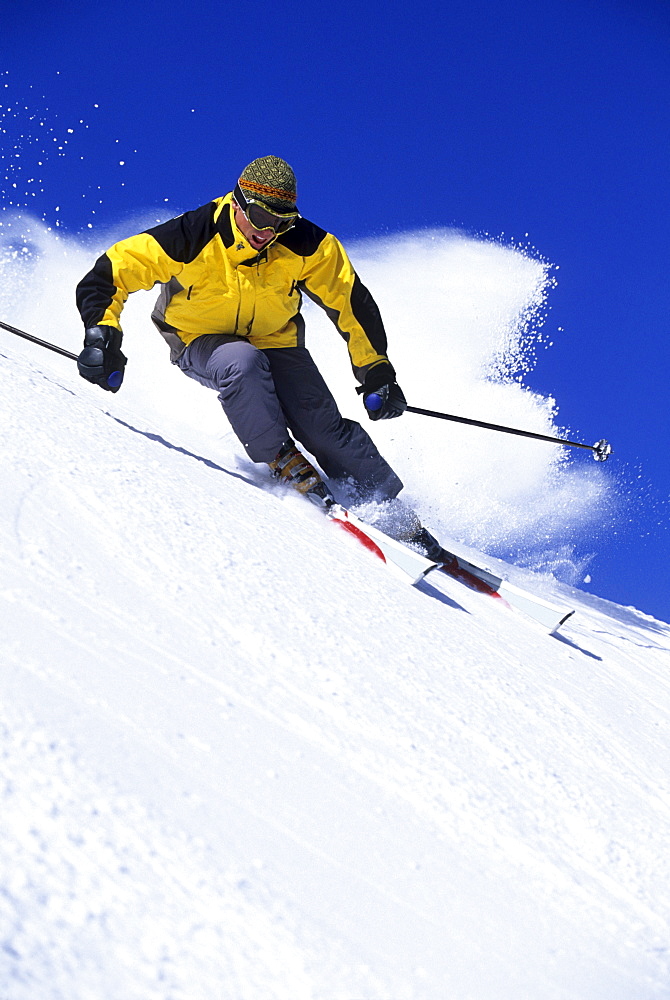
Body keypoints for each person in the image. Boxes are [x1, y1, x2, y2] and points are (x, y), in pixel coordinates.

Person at [75, 155, 443, 557]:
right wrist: (102, 334)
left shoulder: (308, 246)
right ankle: (281, 458)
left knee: (323, 426)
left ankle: (383, 504)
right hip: (200, 337)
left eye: (282, 223)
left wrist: (376, 371)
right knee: (242, 363)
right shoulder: (193, 235)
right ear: (237, 202)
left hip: (276, 338)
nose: (267, 232)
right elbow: (110, 272)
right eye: (259, 217)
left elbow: (351, 302)